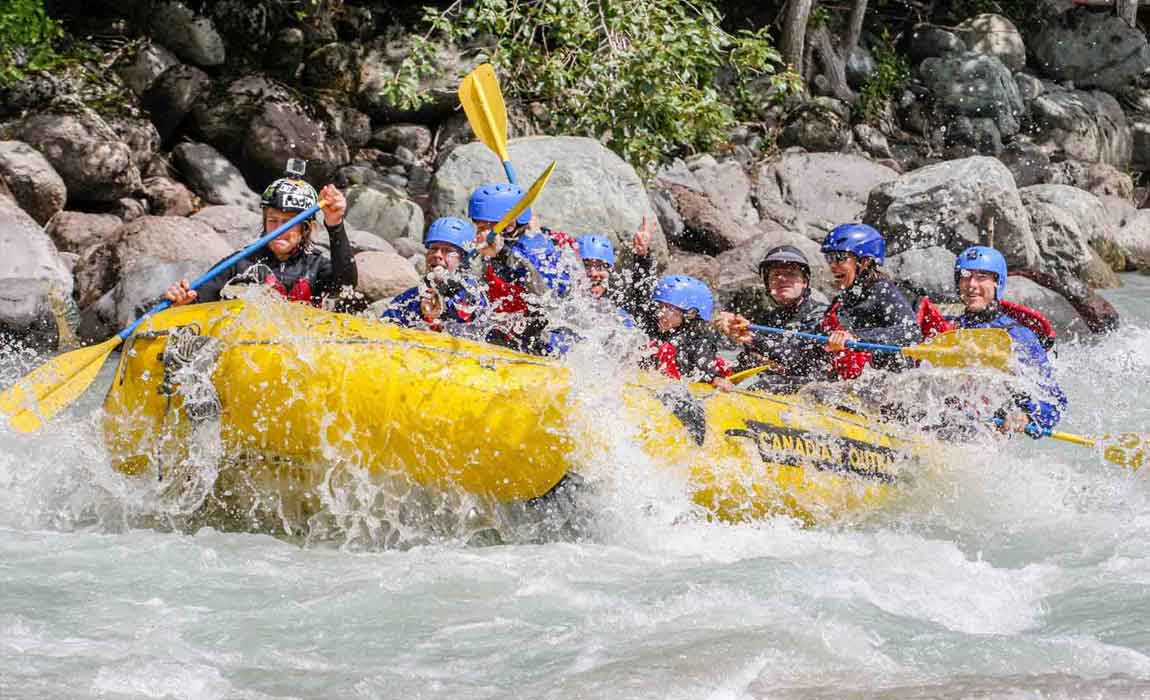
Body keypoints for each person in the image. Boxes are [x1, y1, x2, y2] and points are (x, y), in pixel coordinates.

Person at [920, 245, 1066, 437]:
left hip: (983, 433)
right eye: (965, 276)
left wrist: (1026, 417)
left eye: (982, 277)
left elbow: (1056, 403)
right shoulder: (948, 327)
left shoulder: (1017, 336)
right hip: (938, 420)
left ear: (998, 283)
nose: (971, 284)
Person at [164, 176, 354, 307]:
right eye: (273, 220)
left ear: (305, 228)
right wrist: (182, 300)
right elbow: (199, 299)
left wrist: (335, 223)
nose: (279, 229)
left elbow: (346, 287)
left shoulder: (316, 266)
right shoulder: (242, 263)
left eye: (289, 223)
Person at [469, 183, 572, 355]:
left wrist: (502, 254)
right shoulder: (495, 249)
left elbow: (544, 297)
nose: (477, 235)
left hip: (555, 337)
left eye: (482, 228)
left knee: (541, 340)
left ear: (508, 226)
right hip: (511, 331)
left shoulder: (537, 249)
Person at [713, 244, 829, 387]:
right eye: (775, 275)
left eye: (791, 274)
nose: (782, 279)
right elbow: (750, 361)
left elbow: (804, 363)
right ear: (768, 285)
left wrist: (752, 338)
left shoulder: (823, 317)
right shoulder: (767, 320)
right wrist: (723, 377)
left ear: (804, 282)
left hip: (814, 389)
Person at [819, 223, 920, 379]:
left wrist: (856, 337)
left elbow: (911, 332)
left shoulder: (882, 290)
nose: (832, 266)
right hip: (859, 380)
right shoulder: (843, 298)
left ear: (864, 262)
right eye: (829, 258)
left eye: (840, 258)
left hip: (891, 383)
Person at [380, 217, 486, 335]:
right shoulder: (411, 297)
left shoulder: (473, 297)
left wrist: (435, 319)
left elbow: (477, 335)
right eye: (434, 249)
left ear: (463, 261)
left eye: (447, 251)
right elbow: (385, 329)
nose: (437, 254)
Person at [642, 274, 732, 389]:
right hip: (665, 379)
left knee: (667, 350)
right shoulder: (655, 330)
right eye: (660, 306)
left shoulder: (697, 342)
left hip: (684, 386)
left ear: (691, 314)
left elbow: (703, 357)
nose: (660, 313)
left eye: (668, 308)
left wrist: (714, 378)